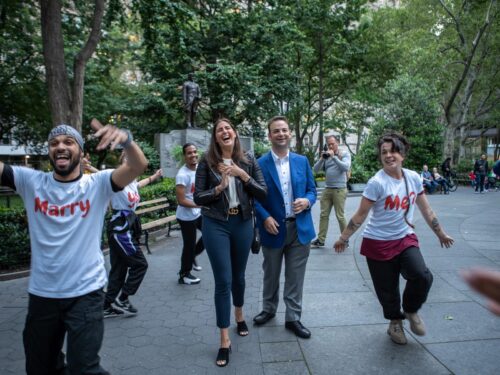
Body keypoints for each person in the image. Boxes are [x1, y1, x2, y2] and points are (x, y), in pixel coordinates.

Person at [0, 121, 147, 374]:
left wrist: (126, 140)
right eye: (54, 143)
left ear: (80, 151)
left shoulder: (97, 184)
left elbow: (137, 166)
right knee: (39, 367)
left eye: (68, 142)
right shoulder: (31, 181)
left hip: (86, 293)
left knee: (83, 368)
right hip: (43, 295)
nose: (60, 147)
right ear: (49, 151)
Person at [334, 133, 454, 345]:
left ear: (403, 154)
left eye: (393, 151)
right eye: (384, 152)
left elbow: (426, 209)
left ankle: (410, 310)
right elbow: (361, 214)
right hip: (377, 242)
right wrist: (343, 238)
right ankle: (394, 323)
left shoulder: (413, 178)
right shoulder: (376, 183)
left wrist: (441, 233)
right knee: (387, 290)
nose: (389, 156)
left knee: (422, 275)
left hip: (404, 237)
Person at [193, 118, 267, 367]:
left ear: (235, 134)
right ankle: (224, 339)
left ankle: (239, 313)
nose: (224, 132)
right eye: (219, 130)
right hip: (216, 224)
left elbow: (262, 192)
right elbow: (198, 197)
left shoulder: (249, 160)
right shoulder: (206, 162)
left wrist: (242, 175)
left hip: (243, 223)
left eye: (228, 128)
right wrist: (218, 188)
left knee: (239, 277)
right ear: (215, 138)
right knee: (223, 281)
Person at [253, 116, 317, 340]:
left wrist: (307, 201)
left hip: (300, 228)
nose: (281, 134)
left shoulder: (302, 161)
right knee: (270, 273)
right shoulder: (259, 164)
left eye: (284, 130)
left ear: (289, 133)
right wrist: (265, 217)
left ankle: (293, 318)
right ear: (269, 136)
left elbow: (312, 189)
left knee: (295, 276)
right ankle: (268, 310)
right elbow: (255, 198)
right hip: (272, 228)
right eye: (276, 131)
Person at [103, 154, 162, 318]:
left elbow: (139, 184)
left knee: (119, 270)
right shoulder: (116, 179)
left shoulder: (131, 182)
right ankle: (123, 298)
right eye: (127, 159)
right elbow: (101, 175)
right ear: (121, 163)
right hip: (120, 229)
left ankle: (106, 306)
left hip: (125, 227)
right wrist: (87, 166)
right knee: (140, 264)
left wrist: (154, 177)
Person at [312, 135, 351, 247]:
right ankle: (321, 240)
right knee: (323, 215)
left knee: (340, 216)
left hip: (340, 189)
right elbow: (315, 169)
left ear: (337, 143)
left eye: (332, 144)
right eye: (328, 144)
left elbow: (345, 167)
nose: (330, 146)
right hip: (327, 189)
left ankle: (345, 240)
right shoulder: (326, 156)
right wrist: (321, 159)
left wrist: (334, 157)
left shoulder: (344, 154)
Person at [176, 143, 204, 285]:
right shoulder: (182, 175)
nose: (193, 155)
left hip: (197, 212)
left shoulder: (198, 169)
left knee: (209, 234)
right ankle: (184, 274)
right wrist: (200, 204)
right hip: (185, 217)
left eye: (194, 152)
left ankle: (192, 256)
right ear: (184, 156)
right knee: (189, 245)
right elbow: (181, 201)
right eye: (189, 153)